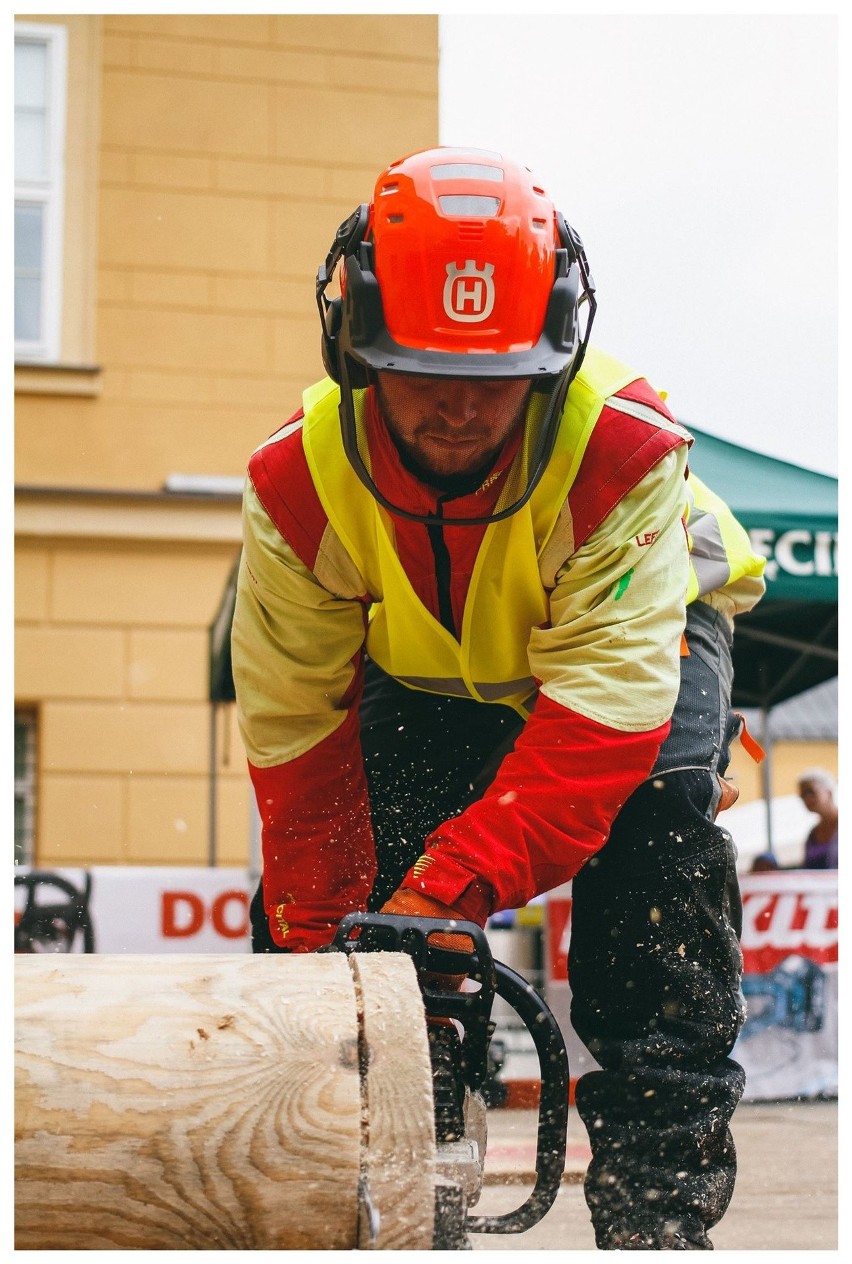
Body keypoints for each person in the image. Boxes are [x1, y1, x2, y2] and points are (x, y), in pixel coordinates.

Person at [231, 147, 766, 1250]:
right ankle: (389, 1160)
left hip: (635, 645)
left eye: (499, 377)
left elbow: (597, 731)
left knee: (657, 843)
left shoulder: (621, 452)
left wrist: (451, 893)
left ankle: (656, 1206)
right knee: (359, 894)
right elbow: (298, 735)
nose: (462, 410)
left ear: (555, 354)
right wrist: (332, 944)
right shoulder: (298, 484)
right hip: (433, 663)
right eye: (422, 370)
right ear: (357, 348)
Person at [797, 768, 838, 869]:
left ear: (829, 792)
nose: (807, 799)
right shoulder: (812, 835)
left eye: (811, 792)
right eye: (803, 795)